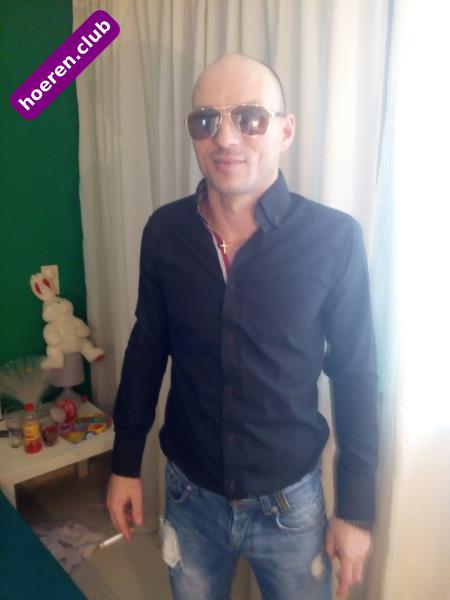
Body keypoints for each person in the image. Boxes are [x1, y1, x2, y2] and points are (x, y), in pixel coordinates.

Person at [107, 53, 378, 600]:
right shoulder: (165, 232)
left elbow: (354, 376)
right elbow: (147, 348)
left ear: (285, 130)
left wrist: (355, 511)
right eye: (206, 120)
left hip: (290, 503)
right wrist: (125, 463)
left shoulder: (334, 239)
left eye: (250, 117)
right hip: (189, 494)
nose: (225, 137)